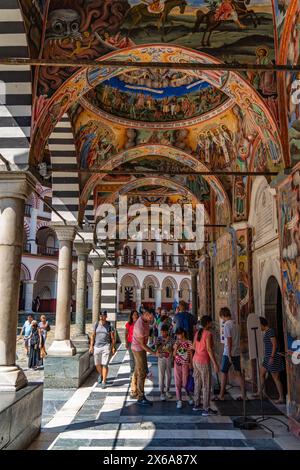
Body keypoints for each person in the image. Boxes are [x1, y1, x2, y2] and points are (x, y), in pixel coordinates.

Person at [216, 307, 246, 401]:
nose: (222, 319)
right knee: (238, 373)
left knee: (224, 373)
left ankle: (221, 395)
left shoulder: (227, 325)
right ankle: (244, 395)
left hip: (228, 353)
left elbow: (229, 340)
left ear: (223, 316)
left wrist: (229, 354)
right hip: (236, 351)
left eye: (221, 317)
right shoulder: (236, 324)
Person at [192, 315, 219, 416]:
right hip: (203, 361)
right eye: (211, 322)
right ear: (207, 323)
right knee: (206, 384)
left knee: (198, 382)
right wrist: (215, 363)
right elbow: (209, 349)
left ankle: (196, 404)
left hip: (196, 359)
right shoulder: (208, 334)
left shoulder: (198, 332)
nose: (211, 324)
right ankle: (206, 409)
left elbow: (194, 346)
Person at [131, 308, 158, 405]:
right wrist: (154, 353)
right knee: (142, 372)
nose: (151, 319)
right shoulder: (140, 325)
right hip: (138, 349)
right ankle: (140, 397)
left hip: (140, 349)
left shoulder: (146, 321)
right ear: (146, 314)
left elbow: (149, 331)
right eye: (150, 317)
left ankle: (135, 391)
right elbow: (142, 344)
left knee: (138, 370)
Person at [256, 317, 285, 404]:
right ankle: (260, 392)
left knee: (276, 378)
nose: (259, 328)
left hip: (273, 358)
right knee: (261, 372)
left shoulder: (270, 331)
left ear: (262, 324)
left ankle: (281, 397)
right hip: (267, 358)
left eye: (259, 325)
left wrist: (272, 357)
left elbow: (274, 345)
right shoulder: (267, 332)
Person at [89, 312, 116, 389]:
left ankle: (104, 381)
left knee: (105, 364)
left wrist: (113, 347)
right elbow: (93, 336)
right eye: (100, 315)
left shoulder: (109, 325)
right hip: (97, 346)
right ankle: (102, 374)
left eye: (103, 315)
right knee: (97, 364)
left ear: (106, 316)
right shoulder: (96, 324)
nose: (101, 316)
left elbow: (113, 338)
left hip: (106, 346)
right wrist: (91, 346)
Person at [173, 327, 193, 409]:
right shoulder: (176, 343)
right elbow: (174, 354)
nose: (178, 337)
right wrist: (176, 347)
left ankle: (188, 396)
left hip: (185, 364)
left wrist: (191, 363)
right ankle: (179, 400)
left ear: (183, 334)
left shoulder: (189, 342)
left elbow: (191, 353)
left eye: (178, 335)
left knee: (185, 382)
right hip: (177, 364)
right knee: (177, 383)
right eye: (177, 335)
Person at [156, 324, 174, 401]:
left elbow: (172, 349)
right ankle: (162, 392)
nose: (163, 333)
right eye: (162, 332)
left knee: (169, 375)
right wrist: (165, 342)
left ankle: (167, 391)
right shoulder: (158, 338)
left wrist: (172, 358)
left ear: (167, 331)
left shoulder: (172, 339)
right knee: (161, 375)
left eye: (165, 332)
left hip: (169, 358)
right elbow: (158, 349)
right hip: (161, 358)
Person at [125, 310, 139, 377]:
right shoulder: (129, 324)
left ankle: (137, 371)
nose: (135, 316)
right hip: (130, 342)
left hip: (138, 343)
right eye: (134, 314)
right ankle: (132, 371)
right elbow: (126, 333)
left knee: (137, 357)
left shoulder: (140, 323)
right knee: (131, 357)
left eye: (136, 314)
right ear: (131, 316)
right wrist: (126, 342)